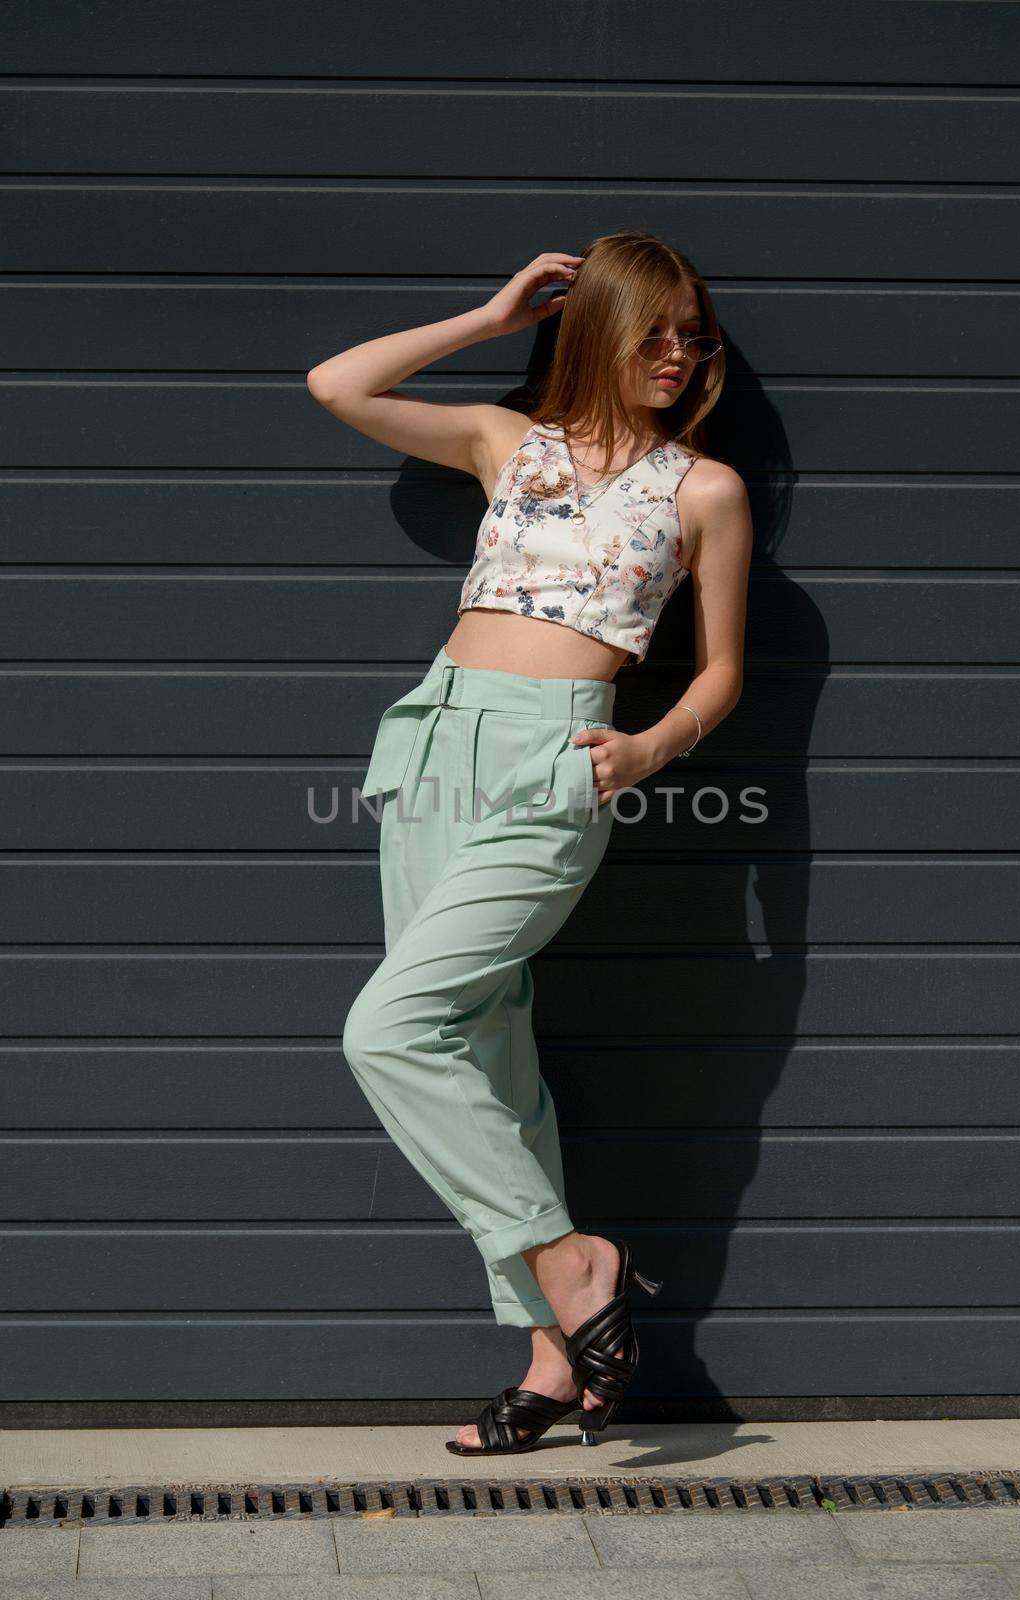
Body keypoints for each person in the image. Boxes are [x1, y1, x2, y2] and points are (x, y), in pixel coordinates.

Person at [307, 228, 752, 1455]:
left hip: (560, 758)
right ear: (600, 329)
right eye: (652, 330)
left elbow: (720, 674)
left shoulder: (703, 487)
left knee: (388, 1027)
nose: (675, 354)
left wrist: (650, 750)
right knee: (486, 1045)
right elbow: (338, 385)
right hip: (434, 744)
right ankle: (553, 1357)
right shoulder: (510, 442)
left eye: (692, 336)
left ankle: (571, 1260)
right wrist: (494, 319)